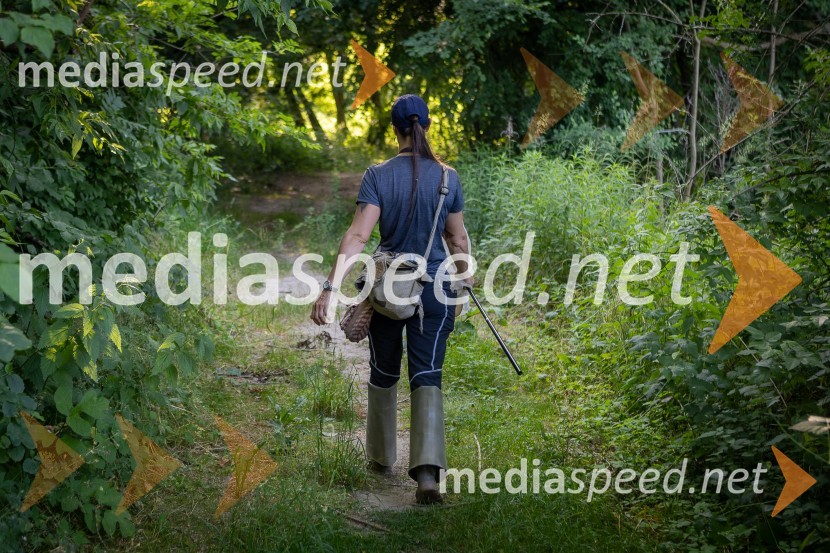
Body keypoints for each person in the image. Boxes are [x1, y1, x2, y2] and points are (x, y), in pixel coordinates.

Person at [310, 94, 472, 504]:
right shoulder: (448, 179)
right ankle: (428, 478)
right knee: (427, 374)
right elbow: (456, 237)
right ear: (428, 126)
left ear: (394, 129)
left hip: (386, 290)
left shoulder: (378, 175)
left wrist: (331, 287)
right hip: (435, 289)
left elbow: (360, 235)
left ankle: (382, 457)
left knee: (384, 370)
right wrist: (466, 278)